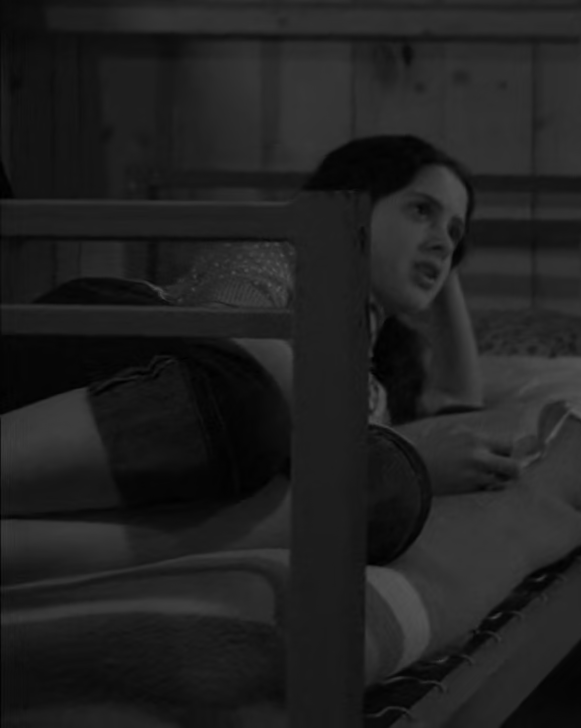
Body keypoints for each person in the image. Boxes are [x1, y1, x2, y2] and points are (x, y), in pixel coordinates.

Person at [0, 135, 528, 582]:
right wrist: (403, 447)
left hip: (185, 442)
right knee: (255, 402)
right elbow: (227, 326)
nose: (443, 242)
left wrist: (442, 262)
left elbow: (460, 409)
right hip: (110, 351)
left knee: (390, 486)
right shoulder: (283, 253)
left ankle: (28, 550)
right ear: (353, 203)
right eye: (421, 210)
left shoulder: (372, 383)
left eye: (456, 232)